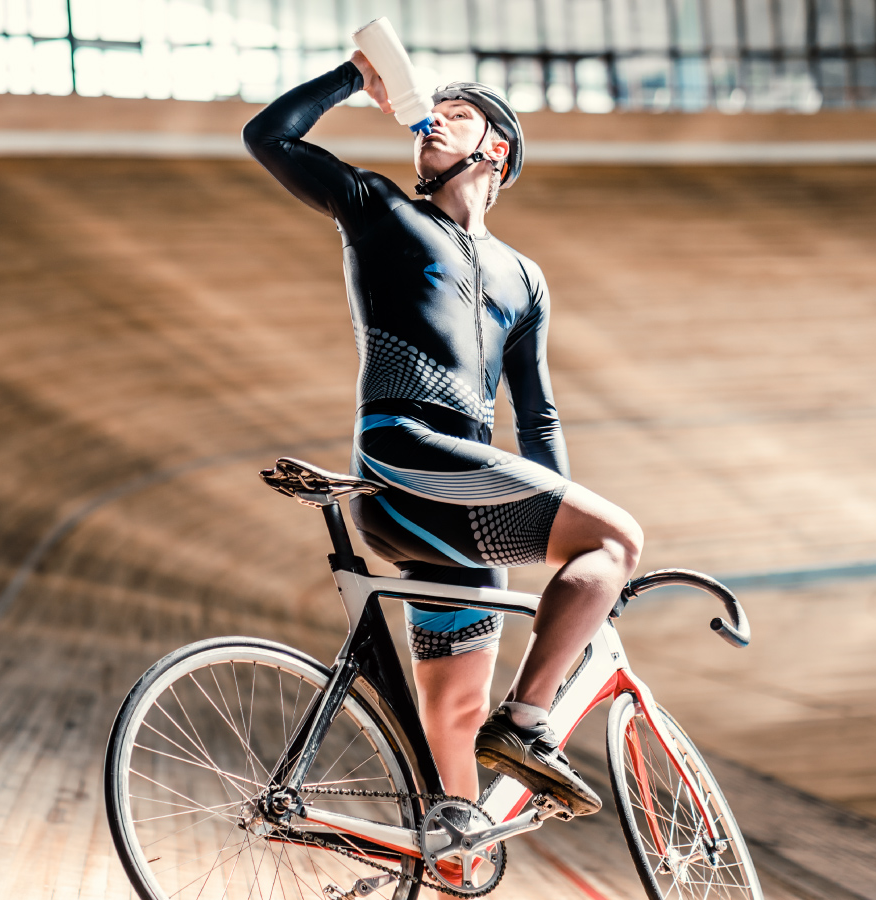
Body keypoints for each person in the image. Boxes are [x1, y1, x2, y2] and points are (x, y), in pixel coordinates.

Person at [243, 53, 644, 815]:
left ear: (496, 150)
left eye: (455, 114)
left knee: (457, 721)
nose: (432, 119)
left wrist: (566, 521)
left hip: (459, 510)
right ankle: (527, 726)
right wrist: (355, 79)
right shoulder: (381, 210)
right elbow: (270, 136)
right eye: (430, 112)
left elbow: (539, 417)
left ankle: (449, 867)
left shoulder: (524, 278)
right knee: (617, 540)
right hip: (404, 459)